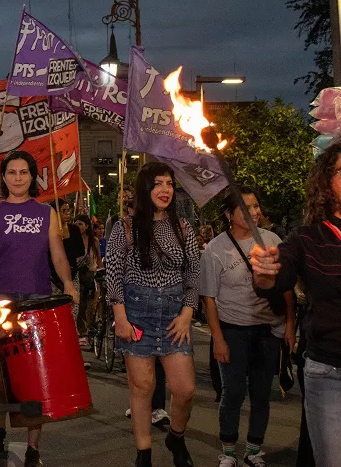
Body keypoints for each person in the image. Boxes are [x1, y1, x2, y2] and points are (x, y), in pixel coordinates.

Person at [250, 141, 341, 467]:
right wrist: (265, 273)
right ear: (327, 183)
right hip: (334, 377)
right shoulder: (308, 239)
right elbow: (275, 281)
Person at [0, 150, 78, 467]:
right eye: (12, 172)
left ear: (32, 177)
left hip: (38, 300)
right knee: (3, 377)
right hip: (2, 298)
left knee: (35, 377)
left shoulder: (46, 213)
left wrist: (69, 284)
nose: (18, 178)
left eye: (23, 172)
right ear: (3, 178)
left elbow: (58, 256)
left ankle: (33, 446)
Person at [105, 162, 200, 467]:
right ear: (145, 189)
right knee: (142, 388)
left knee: (184, 389)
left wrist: (188, 312)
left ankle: (176, 435)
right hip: (137, 314)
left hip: (175, 315)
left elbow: (194, 272)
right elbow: (113, 272)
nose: (165, 190)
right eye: (157, 184)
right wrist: (119, 314)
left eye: (169, 184)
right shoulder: (125, 227)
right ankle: (143, 454)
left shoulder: (183, 227)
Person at [200, 186, 295, 467]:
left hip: (268, 330)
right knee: (233, 393)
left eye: (256, 206)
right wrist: (218, 339)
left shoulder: (272, 241)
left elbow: (287, 289)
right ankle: (228, 450)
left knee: (262, 393)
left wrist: (289, 325)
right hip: (233, 330)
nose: (254, 212)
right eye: (246, 208)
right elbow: (209, 299)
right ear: (229, 214)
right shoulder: (215, 249)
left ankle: (254, 449)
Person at [72, 214, 101, 348]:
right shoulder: (73, 239)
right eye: (76, 224)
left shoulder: (93, 240)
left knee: (90, 305)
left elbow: (98, 258)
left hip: (90, 275)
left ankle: (88, 330)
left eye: (81, 224)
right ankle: (81, 332)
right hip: (77, 275)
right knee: (79, 305)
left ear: (87, 226)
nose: (78, 227)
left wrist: (101, 271)